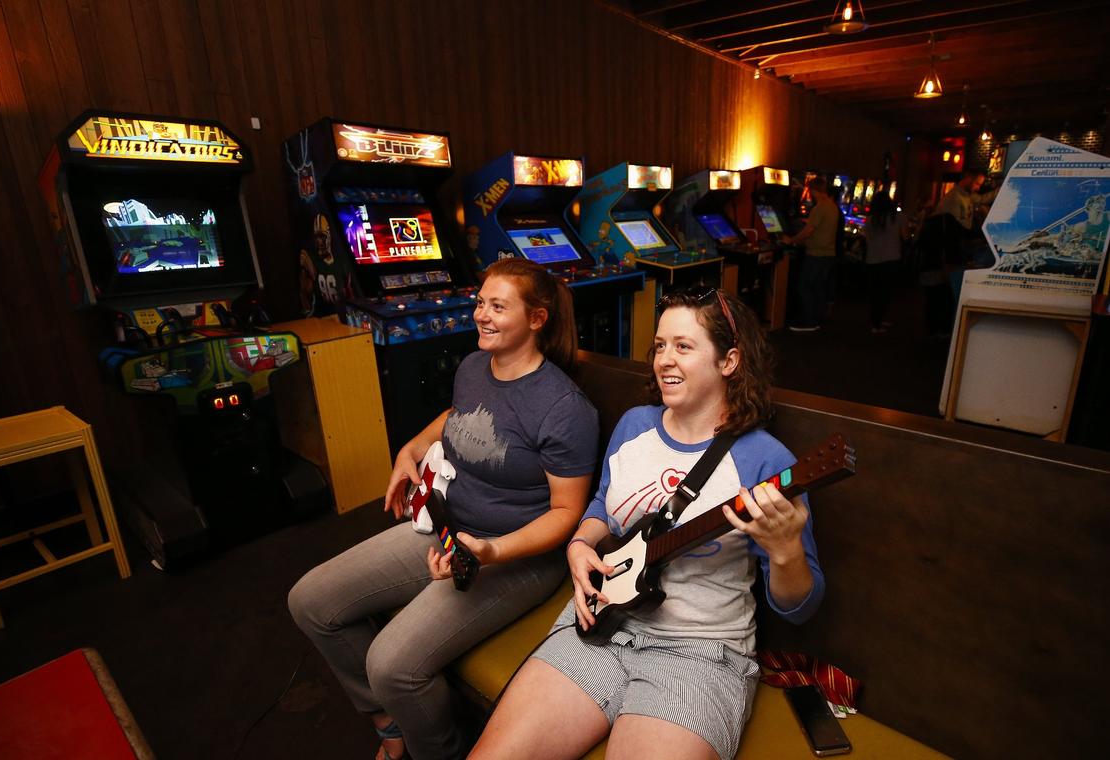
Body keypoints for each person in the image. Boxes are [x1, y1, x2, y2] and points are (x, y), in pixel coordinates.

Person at [470, 287, 826, 760]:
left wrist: (784, 551)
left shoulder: (766, 461)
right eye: (659, 346)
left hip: (699, 655)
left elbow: (800, 608)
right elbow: (601, 506)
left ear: (729, 361)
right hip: (603, 623)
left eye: (683, 346)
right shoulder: (635, 424)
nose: (664, 360)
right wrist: (580, 544)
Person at [288, 258, 599, 760]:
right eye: (481, 302)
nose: (482, 315)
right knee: (311, 601)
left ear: (537, 319)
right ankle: (388, 723)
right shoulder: (475, 366)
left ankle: (439, 752)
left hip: (515, 556)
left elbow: (567, 514)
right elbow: (458, 415)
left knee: (392, 665)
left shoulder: (564, 408)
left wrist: (490, 551)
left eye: (499, 306)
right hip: (448, 528)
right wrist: (408, 449)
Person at [781, 176, 840, 332]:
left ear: (814, 190)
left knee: (804, 287)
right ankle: (817, 318)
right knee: (818, 287)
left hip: (816, 254)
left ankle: (809, 321)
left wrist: (791, 240)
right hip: (829, 254)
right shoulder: (832, 207)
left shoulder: (819, 208)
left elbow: (807, 232)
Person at [863, 190, 908, 334]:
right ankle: (878, 321)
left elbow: (867, 239)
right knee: (885, 292)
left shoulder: (870, 219)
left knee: (875, 292)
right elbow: (905, 236)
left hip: (873, 258)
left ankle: (874, 321)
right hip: (891, 257)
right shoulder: (898, 217)